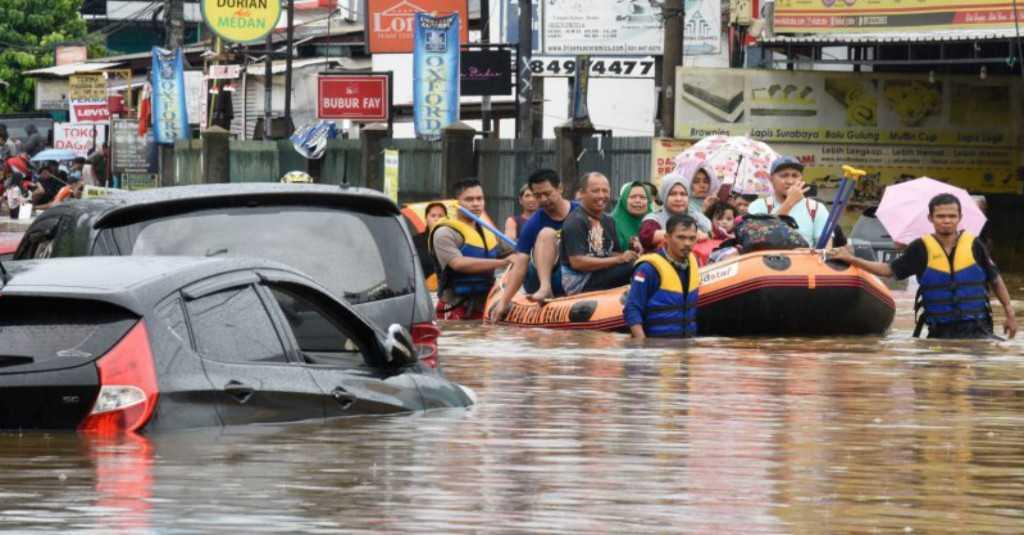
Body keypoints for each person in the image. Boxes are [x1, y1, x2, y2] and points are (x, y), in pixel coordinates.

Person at [830, 193, 1016, 340]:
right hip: (940, 332)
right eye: (941, 216)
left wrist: (1009, 314)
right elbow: (888, 271)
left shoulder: (975, 245)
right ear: (930, 218)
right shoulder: (920, 248)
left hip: (979, 329)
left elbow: (996, 280)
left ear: (960, 217)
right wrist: (853, 259)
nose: (947, 220)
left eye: (952, 216)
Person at [489, 169, 578, 318]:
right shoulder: (534, 222)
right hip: (539, 277)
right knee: (546, 233)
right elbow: (520, 264)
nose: (543, 199)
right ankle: (545, 288)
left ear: (560, 189)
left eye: (547, 194)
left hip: (573, 274)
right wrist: (504, 302)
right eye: (538, 195)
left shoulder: (580, 212)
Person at [429, 178, 513, 320]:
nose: (476, 204)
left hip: (485, 305)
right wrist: (503, 263)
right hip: (454, 306)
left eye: (480, 199)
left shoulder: (489, 231)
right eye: (469, 199)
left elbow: (514, 253)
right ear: (456, 203)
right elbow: (458, 264)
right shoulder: (444, 232)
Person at [560, 173, 639, 295]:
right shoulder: (575, 221)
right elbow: (578, 262)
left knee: (642, 263)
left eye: (605, 191)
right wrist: (619, 259)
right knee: (633, 267)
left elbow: (610, 252)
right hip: (581, 282)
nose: (601, 195)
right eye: (596, 191)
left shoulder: (608, 220)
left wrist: (631, 250)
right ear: (581, 193)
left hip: (601, 272)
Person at [625, 214, 701, 339]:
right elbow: (632, 309)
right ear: (667, 238)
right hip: (657, 348)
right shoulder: (648, 268)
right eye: (681, 237)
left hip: (685, 345)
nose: (687, 243)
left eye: (692, 238)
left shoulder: (694, 263)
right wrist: (641, 345)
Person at [747, 156, 830, 247]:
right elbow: (757, 240)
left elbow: (825, 250)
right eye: (784, 175)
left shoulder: (816, 209)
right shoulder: (758, 206)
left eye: (795, 176)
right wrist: (789, 202)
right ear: (771, 180)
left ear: (801, 179)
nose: (790, 181)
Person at [638, 172, 710, 253]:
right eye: (673, 194)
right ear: (664, 196)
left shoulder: (695, 216)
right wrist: (688, 234)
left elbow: (711, 231)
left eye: (683, 194)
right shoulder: (654, 219)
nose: (678, 199)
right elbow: (646, 237)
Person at [610, 180, 653, 251]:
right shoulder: (610, 223)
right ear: (624, 200)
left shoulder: (654, 222)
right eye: (633, 197)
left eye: (642, 197)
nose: (638, 201)